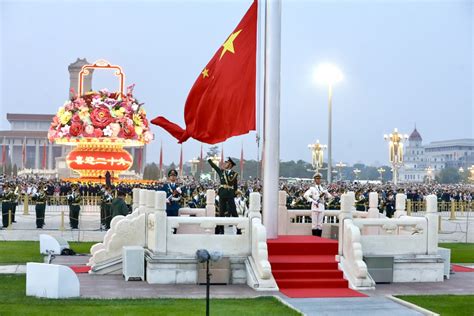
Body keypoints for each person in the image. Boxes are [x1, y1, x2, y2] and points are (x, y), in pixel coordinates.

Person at [208, 157, 239, 234]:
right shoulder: (221, 172)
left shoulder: (234, 174)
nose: (225, 164)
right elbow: (215, 167)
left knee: (233, 211)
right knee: (221, 212)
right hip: (222, 193)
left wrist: (234, 194)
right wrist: (209, 161)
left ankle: (239, 228)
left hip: (230, 193)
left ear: (230, 164)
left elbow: (235, 186)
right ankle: (221, 229)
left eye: (227, 162)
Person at [304, 173, 332, 237]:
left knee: (320, 224)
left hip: (321, 207)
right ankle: (314, 239)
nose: (318, 180)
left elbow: (330, 196)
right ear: (314, 180)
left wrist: (326, 192)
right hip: (315, 206)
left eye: (319, 179)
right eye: (317, 179)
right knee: (314, 224)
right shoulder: (312, 188)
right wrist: (313, 201)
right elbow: (305, 195)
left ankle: (319, 238)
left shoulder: (323, 189)